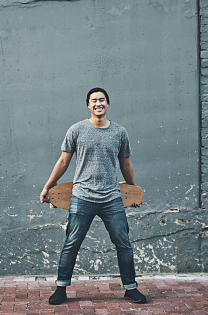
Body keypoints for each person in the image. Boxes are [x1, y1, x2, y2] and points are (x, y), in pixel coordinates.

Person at [40, 87, 147, 305]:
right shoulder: (76, 130)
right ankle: (61, 289)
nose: (98, 103)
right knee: (72, 243)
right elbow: (63, 162)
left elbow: (125, 163)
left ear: (108, 104)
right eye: (94, 100)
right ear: (88, 105)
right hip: (82, 197)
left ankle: (130, 289)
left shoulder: (119, 132)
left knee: (124, 244)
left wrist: (133, 192)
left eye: (102, 100)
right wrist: (47, 187)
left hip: (111, 198)